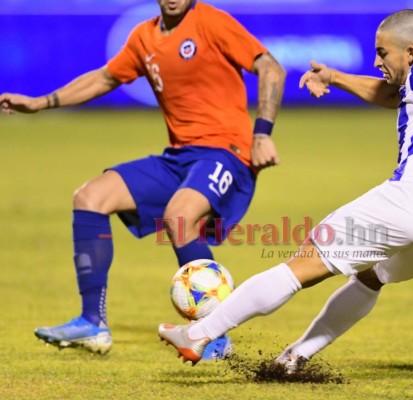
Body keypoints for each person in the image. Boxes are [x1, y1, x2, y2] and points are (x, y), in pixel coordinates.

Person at [157, 9, 413, 371]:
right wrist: (334, 76)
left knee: (303, 263)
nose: (377, 60)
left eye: (383, 53)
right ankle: (292, 358)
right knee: (369, 277)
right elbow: (390, 95)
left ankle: (199, 334)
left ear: (410, 53)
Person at [0, 0, 286, 356]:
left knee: (180, 218)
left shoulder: (211, 22)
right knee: (90, 197)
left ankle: (215, 335)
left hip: (229, 151)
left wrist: (262, 133)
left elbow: (271, 68)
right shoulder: (144, 36)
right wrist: (41, 103)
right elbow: (106, 77)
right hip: (179, 156)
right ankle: (93, 324)